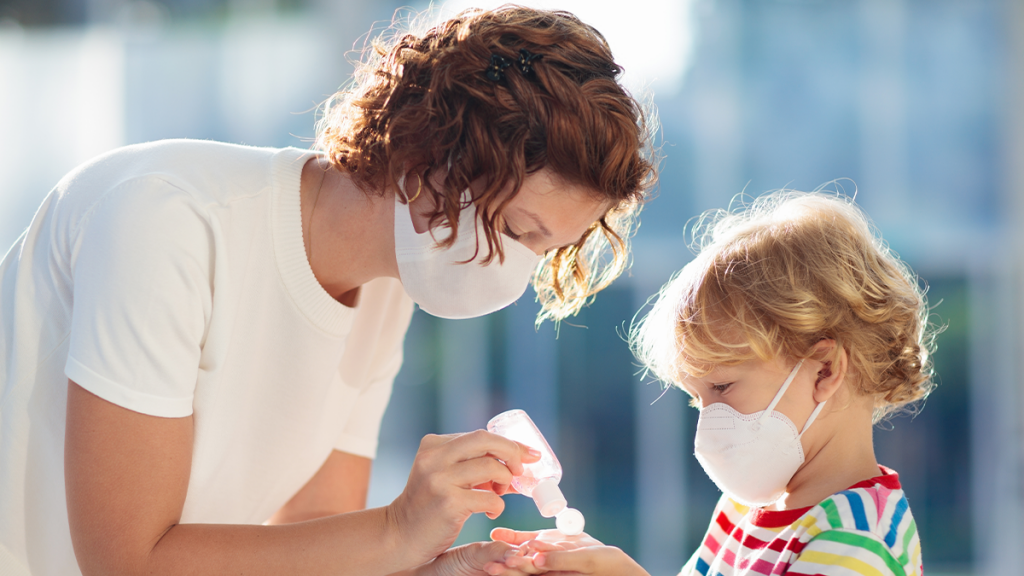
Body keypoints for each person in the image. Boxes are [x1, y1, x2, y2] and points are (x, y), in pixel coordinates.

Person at [0, 6, 657, 576]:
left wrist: (446, 567)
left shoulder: (384, 288)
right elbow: (127, 561)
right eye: (518, 231)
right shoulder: (167, 219)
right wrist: (400, 526)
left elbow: (312, 539)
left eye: (544, 252)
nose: (516, 274)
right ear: (430, 150)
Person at [488, 191, 936, 576]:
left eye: (722, 388)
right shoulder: (746, 509)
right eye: (696, 399)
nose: (708, 425)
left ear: (824, 370)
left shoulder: (857, 543)